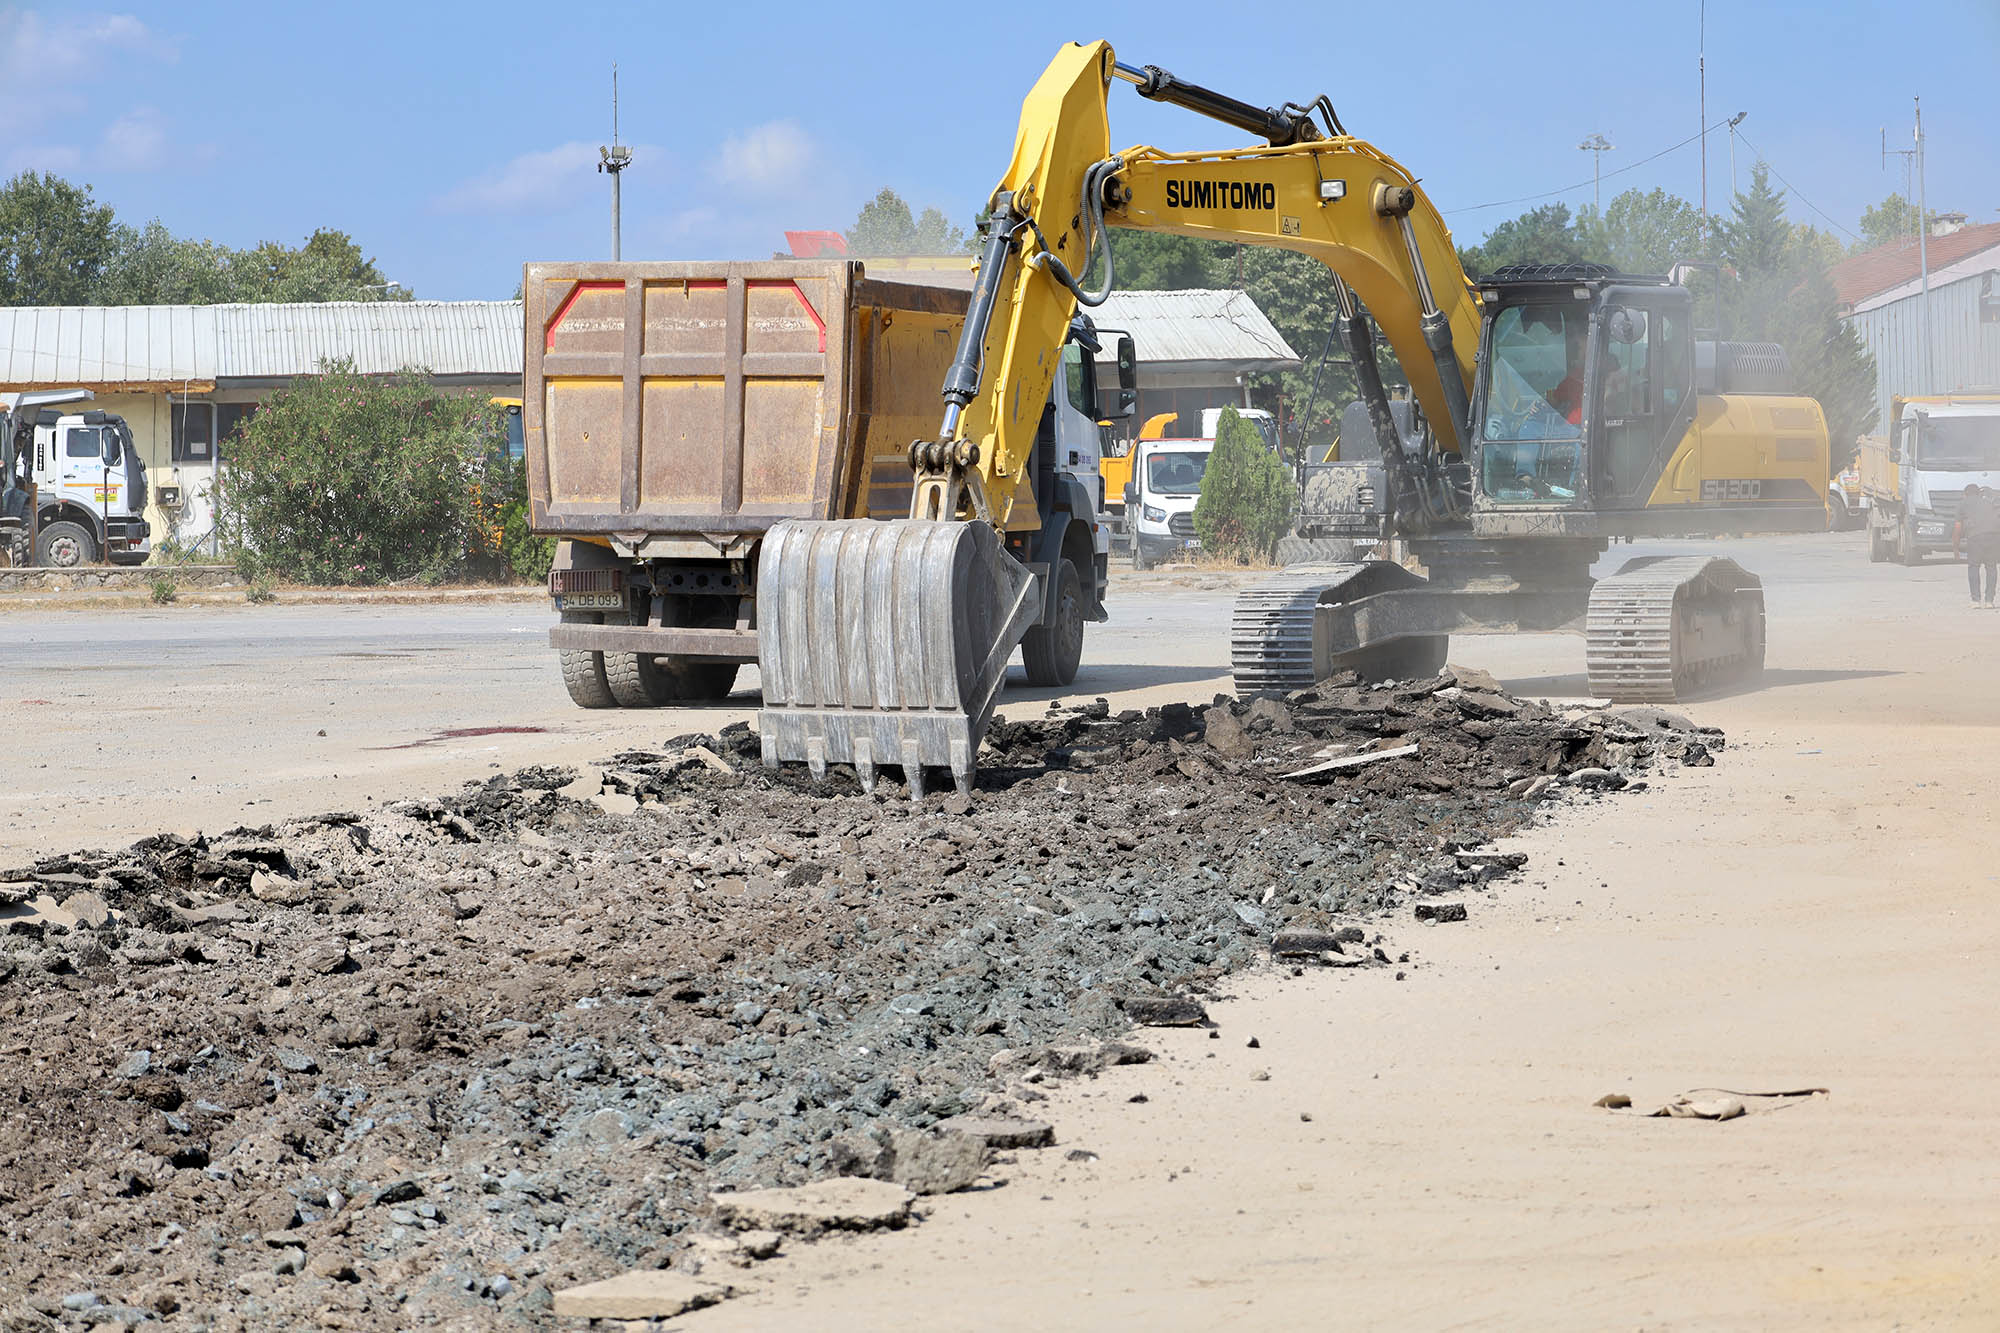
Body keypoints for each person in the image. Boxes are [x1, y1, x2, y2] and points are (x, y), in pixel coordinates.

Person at [1952, 483, 2000, 608]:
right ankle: (1989, 601)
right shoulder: (1989, 502)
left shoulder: (1963, 504)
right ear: (1978, 493)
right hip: (1993, 536)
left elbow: (1957, 528)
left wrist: (1956, 548)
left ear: (1965, 494)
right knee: (1991, 567)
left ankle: (1975, 600)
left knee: (1973, 567)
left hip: (1975, 538)